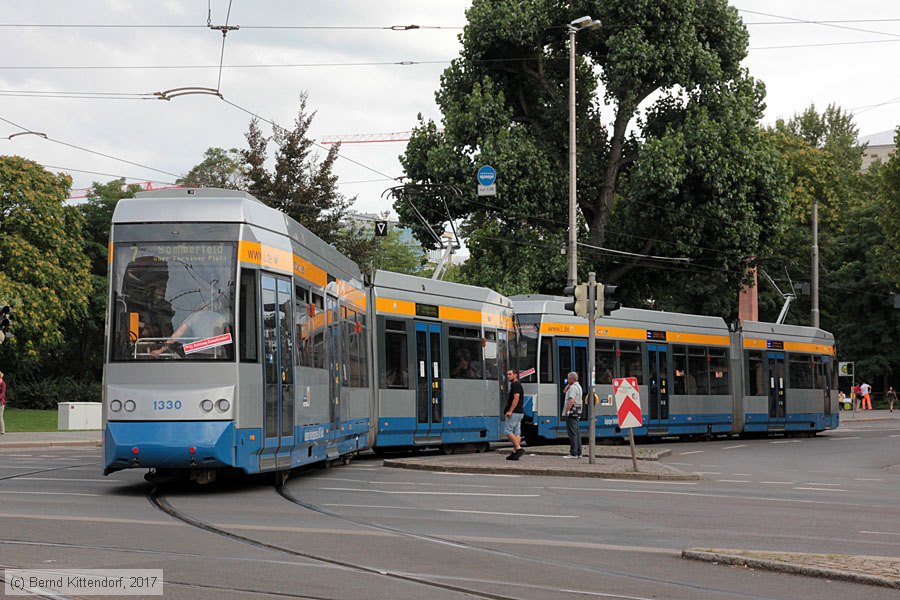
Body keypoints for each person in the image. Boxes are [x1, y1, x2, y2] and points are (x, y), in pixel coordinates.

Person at [150, 304, 230, 358]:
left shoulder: (194, 316)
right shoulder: (221, 317)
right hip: (215, 355)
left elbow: (176, 335)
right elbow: (227, 337)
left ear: (200, 307)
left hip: (194, 352)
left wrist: (160, 350)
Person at [504, 369, 525, 461]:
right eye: (507, 374)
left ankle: (519, 449)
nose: (508, 376)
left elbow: (516, 398)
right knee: (517, 433)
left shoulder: (515, 385)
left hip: (515, 412)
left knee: (507, 431)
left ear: (515, 375)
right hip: (519, 412)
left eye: (510, 374)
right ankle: (515, 452)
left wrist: (510, 410)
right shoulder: (517, 385)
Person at [562, 371, 583, 458]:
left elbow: (571, 400)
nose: (567, 380)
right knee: (576, 432)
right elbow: (564, 391)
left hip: (571, 412)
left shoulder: (573, 388)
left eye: (568, 378)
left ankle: (573, 453)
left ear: (572, 379)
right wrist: (569, 385)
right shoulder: (577, 386)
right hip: (577, 411)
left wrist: (567, 411)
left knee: (572, 433)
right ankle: (578, 452)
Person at [0, 371, 6, 435]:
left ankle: (2, 431)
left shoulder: (3, 383)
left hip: (1, 402)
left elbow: (3, 393)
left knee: (0, 416)